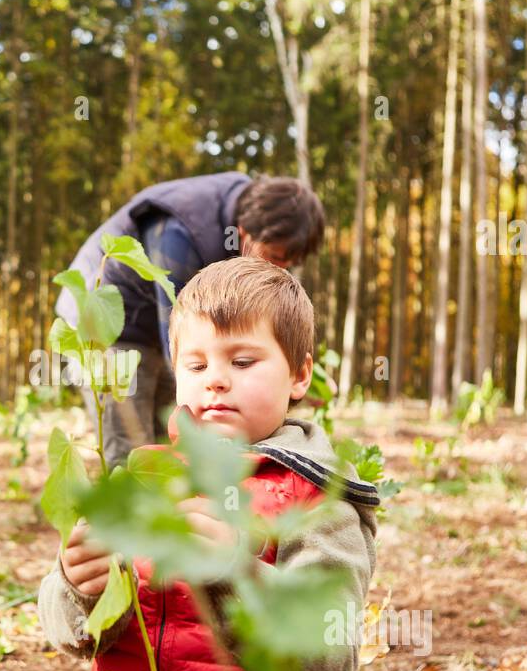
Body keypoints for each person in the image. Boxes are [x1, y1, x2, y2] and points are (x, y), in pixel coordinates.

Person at [38, 256, 378, 671]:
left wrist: (234, 575)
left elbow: (327, 662)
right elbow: (68, 632)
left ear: (299, 374)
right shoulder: (148, 479)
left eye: (242, 360)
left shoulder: (316, 498)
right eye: (194, 366)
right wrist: (78, 586)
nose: (215, 379)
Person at [56, 172, 325, 469]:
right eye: (273, 256)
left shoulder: (241, 208)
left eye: (288, 263)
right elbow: (181, 345)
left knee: (168, 439)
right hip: (101, 318)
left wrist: (286, 373)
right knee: (130, 444)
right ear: (245, 231)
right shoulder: (181, 233)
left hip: (149, 321)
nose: (275, 268)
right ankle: (130, 510)